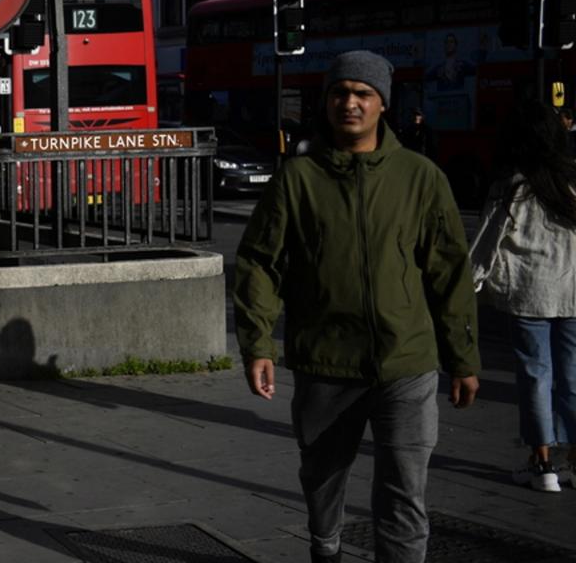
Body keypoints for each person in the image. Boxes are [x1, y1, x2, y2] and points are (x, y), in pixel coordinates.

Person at [234, 50, 480, 563]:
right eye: (340, 93)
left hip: (406, 363)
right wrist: (257, 343)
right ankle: (326, 547)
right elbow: (260, 263)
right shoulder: (297, 180)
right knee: (322, 479)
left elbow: (449, 272)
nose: (351, 103)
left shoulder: (420, 177)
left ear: (382, 104)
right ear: (326, 103)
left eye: (363, 94)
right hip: (327, 361)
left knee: (404, 491)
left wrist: (463, 358)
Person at [469, 101, 576, 492]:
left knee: (535, 377)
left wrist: (468, 287)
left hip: (531, 295)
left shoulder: (511, 186)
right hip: (574, 293)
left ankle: (542, 464)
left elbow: (485, 246)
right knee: (573, 378)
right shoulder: (572, 180)